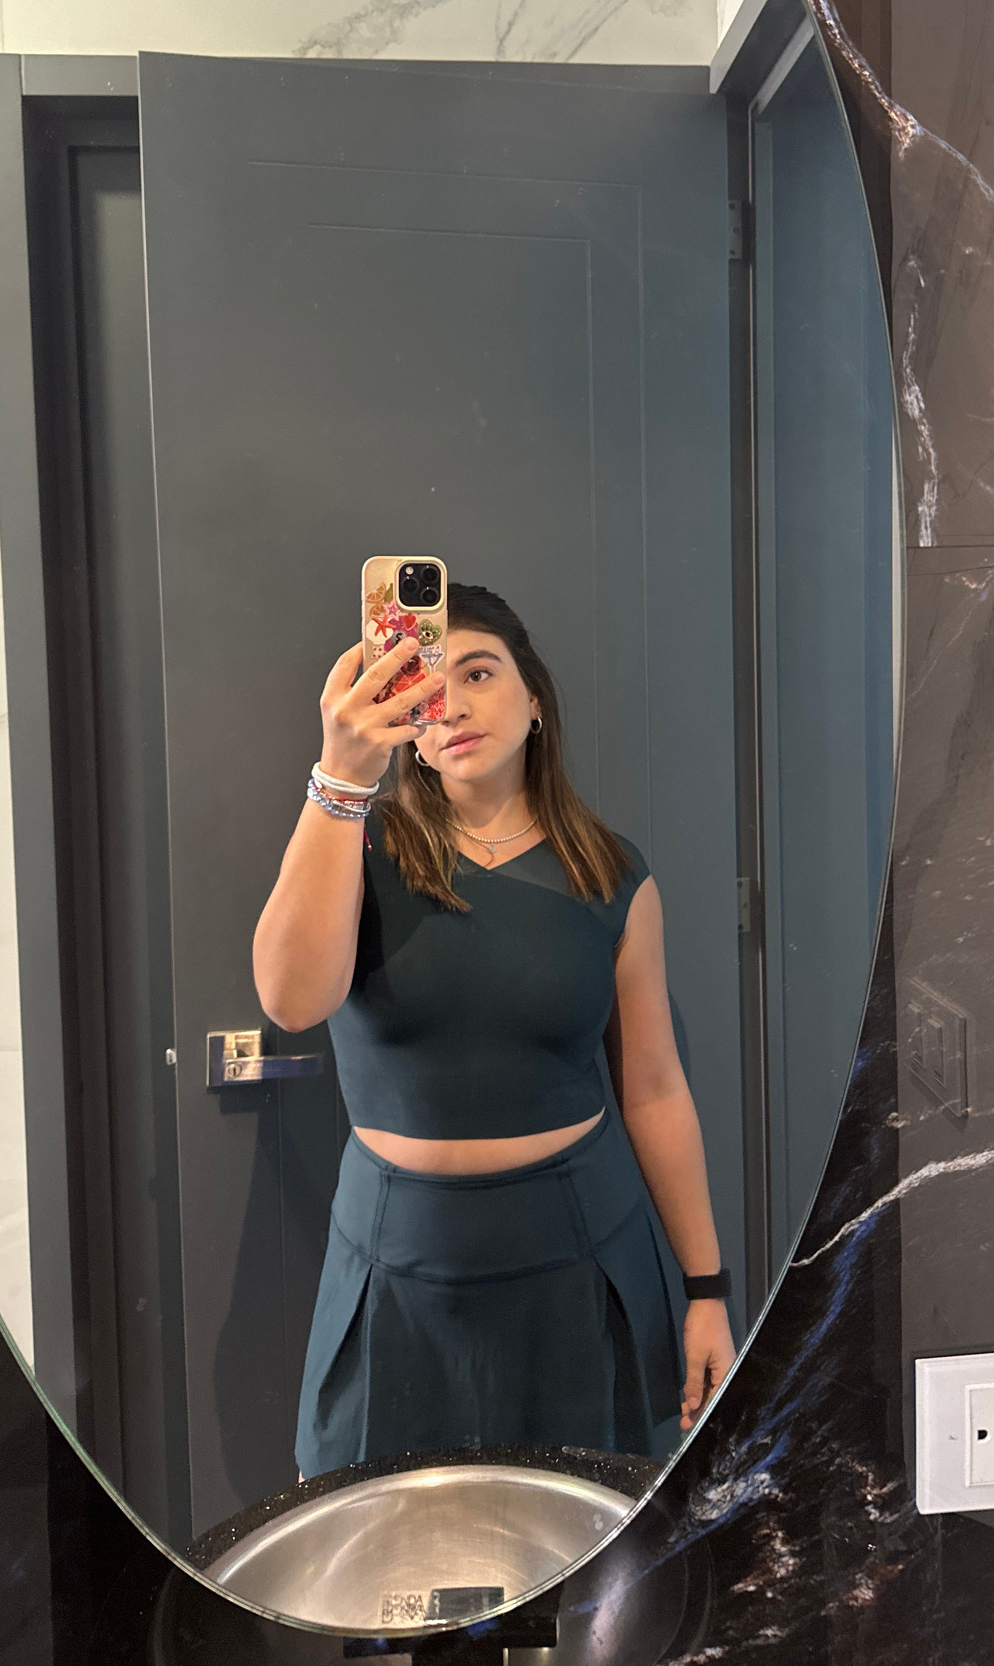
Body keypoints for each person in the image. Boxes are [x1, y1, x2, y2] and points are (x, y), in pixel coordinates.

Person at [254, 581, 735, 1476]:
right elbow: (290, 1001)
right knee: (391, 1538)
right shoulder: (355, 844)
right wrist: (340, 780)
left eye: (479, 673)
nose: (453, 705)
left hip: (579, 1256)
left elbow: (654, 1089)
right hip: (397, 1265)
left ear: (535, 699)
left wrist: (707, 1288)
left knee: (586, 1531)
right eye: (424, 686)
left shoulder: (611, 873)